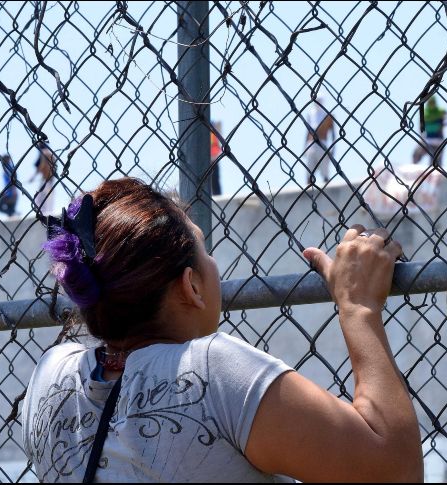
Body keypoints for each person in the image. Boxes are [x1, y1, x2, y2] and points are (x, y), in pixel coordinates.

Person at [22, 178, 423, 482]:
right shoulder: (212, 370)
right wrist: (358, 306)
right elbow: (395, 469)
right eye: (204, 249)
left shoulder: (51, 376)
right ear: (191, 286)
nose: (215, 264)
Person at [304, 94, 337, 184]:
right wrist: (305, 148)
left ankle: (327, 193)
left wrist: (333, 148)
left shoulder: (328, 115)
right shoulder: (310, 114)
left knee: (325, 172)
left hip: (323, 144)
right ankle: (309, 193)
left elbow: (333, 134)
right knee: (309, 172)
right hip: (311, 145)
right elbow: (307, 132)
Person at [413, 95, 447, 165]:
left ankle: (435, 170)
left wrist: (443, 124)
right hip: (428, 140)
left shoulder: (440, 111)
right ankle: (413, 166)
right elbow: (421, 126)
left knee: (435, 163)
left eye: (433, 102)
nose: (432, 104)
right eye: (430, 102)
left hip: (438, 141)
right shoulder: (425, 113)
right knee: (416, 154)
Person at [29, 142, 56, 214]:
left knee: (39, 198)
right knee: (48, 198)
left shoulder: (44, 152)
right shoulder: (51, 153)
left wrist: (33, 177)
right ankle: (47, 213)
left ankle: (42, 213)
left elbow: (42, 165)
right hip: (50, 178)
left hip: (45, 179)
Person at [209, 121, 222, 196]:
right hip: (212, 158)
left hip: (213, 159)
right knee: (214, 180)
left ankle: (217, 196)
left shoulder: (213, 132)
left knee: (215, 180)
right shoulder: (212, 132)